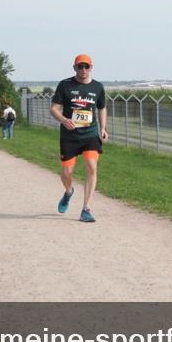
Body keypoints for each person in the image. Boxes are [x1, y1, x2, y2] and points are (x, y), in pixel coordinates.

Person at [50, 54, 108, 223]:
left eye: (86, 66)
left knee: (91, 166)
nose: (83, 70)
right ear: (74, 67)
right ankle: (68, 192)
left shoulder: (98, 87)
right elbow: (54, 108)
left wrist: (103, 128)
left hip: (90, 134)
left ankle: (86, 209)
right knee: (67, 172)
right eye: (80, 66)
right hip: (69, 135)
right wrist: (64, 120)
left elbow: (102, 108)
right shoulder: (65, 85)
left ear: (91, 67)